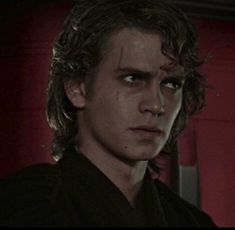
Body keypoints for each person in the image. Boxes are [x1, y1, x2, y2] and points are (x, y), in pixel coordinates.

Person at [0, 0, 217, 227]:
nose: (156, 105)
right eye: (133, 78)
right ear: (77, 87)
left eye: (171, 84)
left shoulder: (191, 221)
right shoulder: (26, 207)